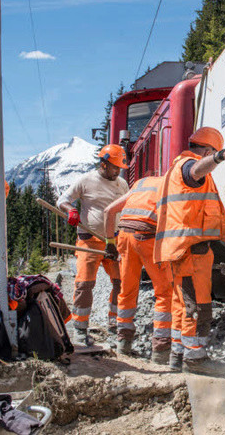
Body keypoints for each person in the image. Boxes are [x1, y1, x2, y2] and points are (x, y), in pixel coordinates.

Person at [153, 127, 225, 372]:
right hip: (191, 248)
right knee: (198, 305)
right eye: (211, 153)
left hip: (180, 248)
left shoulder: (173, 169)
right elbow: (196, 171)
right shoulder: (187, 166)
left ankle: (177, 357)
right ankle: (195, 359)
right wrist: (220, 157)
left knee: (182, 304)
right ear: (206, 150)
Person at [57, 144, 129, 346]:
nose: (117, 171)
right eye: (114, 167)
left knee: (120, 283)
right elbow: (63, 199)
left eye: (119, 168)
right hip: (89, 239)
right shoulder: (86, 180)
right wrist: (70, 210)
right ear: (104, 164)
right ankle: (80, 329)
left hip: (114, 241)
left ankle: (115, 325)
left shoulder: (122, 184)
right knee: (85, 284)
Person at [103, 176, 173, 363]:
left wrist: (110, 243)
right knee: (165, 292)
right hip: (147, 236)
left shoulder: (141, 184)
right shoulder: (170, 184)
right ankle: (160, 351)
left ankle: (123, 344)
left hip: (125, 236)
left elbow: (109, 210)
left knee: (127, 290)